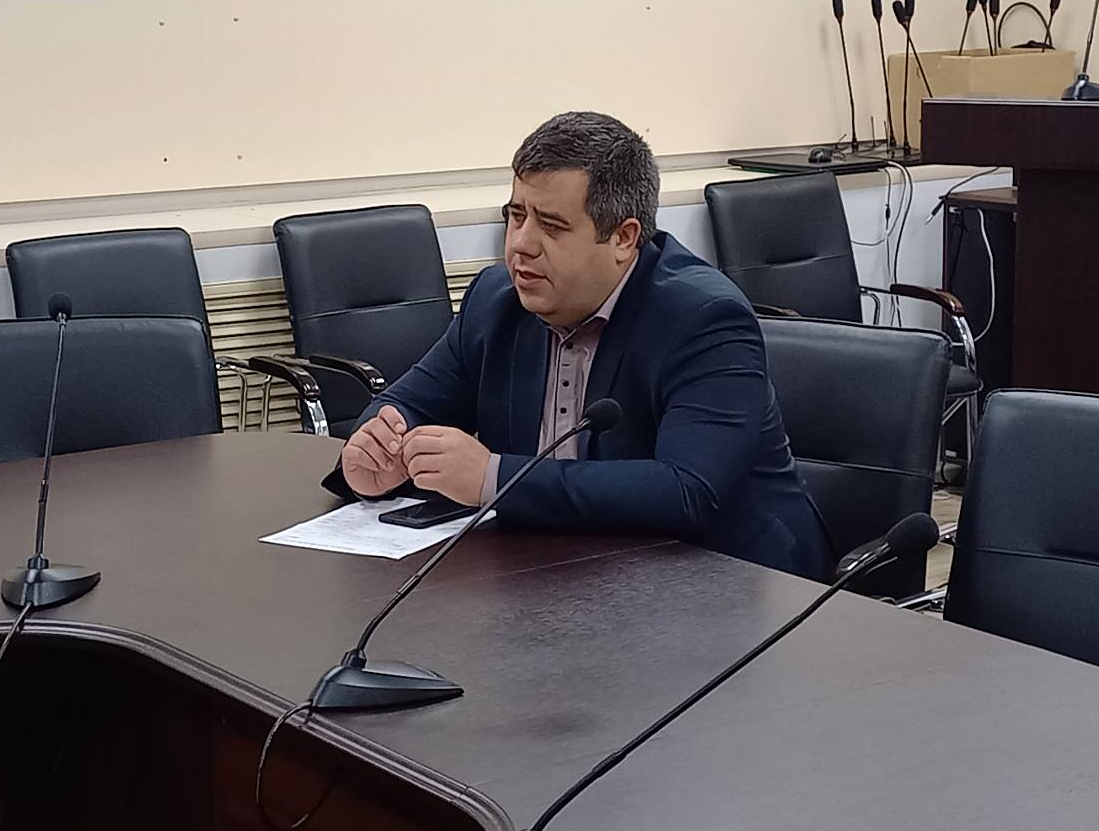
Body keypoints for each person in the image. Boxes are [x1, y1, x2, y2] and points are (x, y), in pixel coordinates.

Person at [331, 111, 832, 579]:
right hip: (565, 575)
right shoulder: (496, 302)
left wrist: (493, 478)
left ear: (623, 238)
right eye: (516, 216)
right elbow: (408, 405)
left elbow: (687, 491)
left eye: (551, 226)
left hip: (736, 585)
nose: (521, 244)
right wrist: (372, 455)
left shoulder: (704, 319)